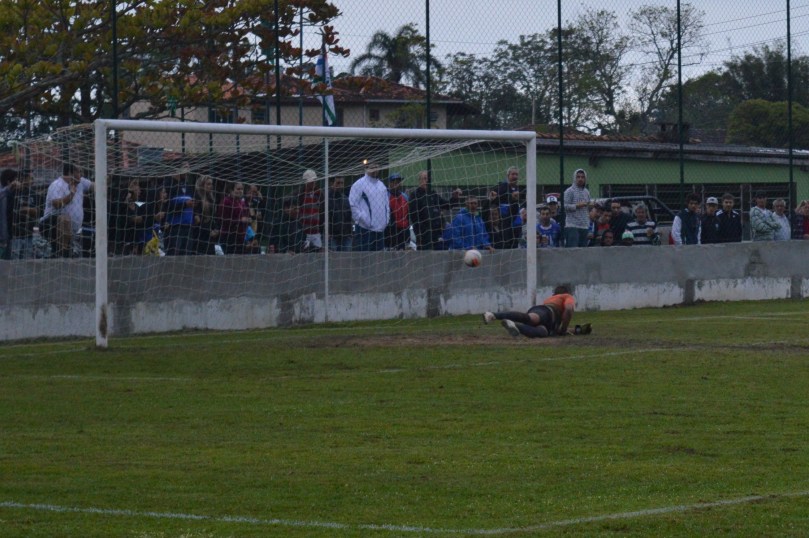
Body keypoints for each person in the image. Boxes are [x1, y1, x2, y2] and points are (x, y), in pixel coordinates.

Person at [482, 285, 588, 338]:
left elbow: (559, 329)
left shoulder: (550, 299)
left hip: (546, 318)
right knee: (532, 319)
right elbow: (569, 310)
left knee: (542, 332)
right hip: (548, 312)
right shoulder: (567, 296)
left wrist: (578, 330)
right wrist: (564, 329)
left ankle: (513, 325)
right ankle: (493, 315)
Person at [40, 163, 94, 258]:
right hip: (50, 225)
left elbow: (95, 186)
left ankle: (65, 252)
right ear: (70, 173)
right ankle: (63, 253)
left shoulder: (80, 182)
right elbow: (57, 204)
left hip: (71, 229)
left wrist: (107, 178)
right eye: (79, 171)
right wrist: (71, 194)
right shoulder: (57, 185)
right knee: (64, 218)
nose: (81, 174)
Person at [408, 170, 460, 250]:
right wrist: (421, 231)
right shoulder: (415, 195)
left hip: (437, 234)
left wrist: (454, 198)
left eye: (428, 179)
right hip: (424, 235)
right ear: (420, 181)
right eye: (424, 178)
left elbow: (447, 205)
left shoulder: (433, 194)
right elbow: (414, 216)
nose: (427, 181)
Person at [349, 160, 389, 251]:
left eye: (377, 167)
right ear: (367, 168)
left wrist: (386, 221)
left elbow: (387, 206)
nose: (375, 169)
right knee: (364, 262)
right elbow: (352, 206)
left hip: (380, 231)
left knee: (379, 262)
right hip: (364, 231)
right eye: (372, 167)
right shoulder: (359, 184)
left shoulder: (382, 186)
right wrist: (365, 220)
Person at [488, 166, 522, 249]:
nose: (515, 176)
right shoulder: (502, 187)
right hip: (506, 223)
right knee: (506, 245)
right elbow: (494, 200)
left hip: (516, 223)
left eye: (516, 174)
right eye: (513, 174)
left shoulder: (517, 188)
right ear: (508, 176)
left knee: (515, 245)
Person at [163, 170, 195, 255]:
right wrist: (185, 204)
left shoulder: (188, 186)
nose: (188, 170)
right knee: (174, 257)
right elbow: (167, 206)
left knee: (186, 257)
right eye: (185, 167)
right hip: (175, 227)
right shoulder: (168, 184)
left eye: (189, 167)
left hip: (188, 226)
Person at [10, 169, 40, 259]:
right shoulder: (14, 192)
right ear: (24, 179)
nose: (33, 181)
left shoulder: (34, 193)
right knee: (13, 261)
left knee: (27, 262)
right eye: (31, 178)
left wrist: (28, 209)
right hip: (15, 235)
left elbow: (37, 211)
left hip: (29, 234)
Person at [217, 181, 251, 254]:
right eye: (238, 189)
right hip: (228, 236)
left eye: (241, 189)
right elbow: (223, 220)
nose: (240, 191)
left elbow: (246, 216)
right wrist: (240, 220)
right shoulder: (226, 201)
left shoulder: (243, 202)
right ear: (231, 190)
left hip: (241, 236)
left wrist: (248, 219)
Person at [563, 168, 591, 248]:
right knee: (573, 251)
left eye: (582, 177)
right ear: (574, 178)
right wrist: (577, 205)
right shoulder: (569, 191)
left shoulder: (586, 192)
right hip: (572, 225)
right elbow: (564, 206)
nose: (580, 179)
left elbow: (587, 207)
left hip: (584, 225)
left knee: (583, 252)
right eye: (578, 177)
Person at [192, 174, 219, 255]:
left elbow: (214, 217)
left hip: (210, 235)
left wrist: (216, 229)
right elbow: (196, 218)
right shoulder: (197, 197)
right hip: (199, 235)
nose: (210, 186)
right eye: (208, 184)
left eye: (211, 184)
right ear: (202, 185)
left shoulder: (211, 199)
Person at [298, 169, 323, 251]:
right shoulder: (300, 194)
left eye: (314, 180)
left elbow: (322, 210)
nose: (313, 183)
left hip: (316, 232)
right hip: (304, 232)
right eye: (311, 181)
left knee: (318, 254)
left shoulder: (319, 193)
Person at [326, 176, 353, 251]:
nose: (340, 185)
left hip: (345, 236)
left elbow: (349, 217)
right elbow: (324, 216)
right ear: (332, 183)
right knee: (333, 259)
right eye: (338, 183)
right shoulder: (326, 198)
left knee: (346, 260)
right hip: (332, 236)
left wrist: (350, 233)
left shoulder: (345, 199)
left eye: (342, 183)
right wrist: (327, 232)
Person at [385, 173, 410, 250]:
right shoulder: (386, 196)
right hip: (390, 230)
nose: (396, 184)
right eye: (394, 182)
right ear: (390, 183)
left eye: (398, 182)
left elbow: (408, 214)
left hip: (403, 231)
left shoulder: (405, 197)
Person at [0, 169, 21, 259]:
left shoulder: (12, 195)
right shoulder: (4, 195)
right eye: (15, 180)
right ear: (9, 182)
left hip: (8, 236)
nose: (18, 183)